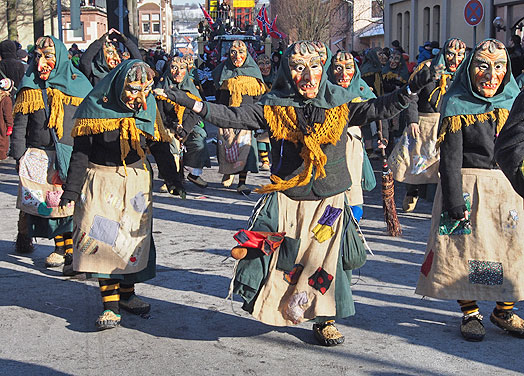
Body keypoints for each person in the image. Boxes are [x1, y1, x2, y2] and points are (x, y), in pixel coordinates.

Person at [160, 40, 433, 346]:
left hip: (328, 198)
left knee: (325, 263)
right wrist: (191, 102)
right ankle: (276, 305)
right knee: (284, 260)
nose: (307, 76)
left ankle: (325, 319)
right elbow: (233, 116)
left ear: (323, 69)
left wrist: (410, 91)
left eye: (314, 67)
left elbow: (378, 107)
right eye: (298, 67)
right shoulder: (274, 106)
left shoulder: (341, 104)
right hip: (288, 197)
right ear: (288, 73)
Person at [60, 59, 184, 330]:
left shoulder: (148, 109)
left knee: (131, 242)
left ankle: (127, 295)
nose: (138, 97)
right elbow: (80, 154)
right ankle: (110, 306)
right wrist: (71, 191)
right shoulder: (94, 110)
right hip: (101, 182)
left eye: (144, 90)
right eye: (132, 90)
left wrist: (173, 179)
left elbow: (160, 147)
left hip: (136, 183)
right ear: (118, 86)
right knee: (104, 242)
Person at [415, 39, 524, 342]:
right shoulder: (456, 102)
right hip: (466, 188)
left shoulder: (514, 100)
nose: (491, 75)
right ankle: (470, 311)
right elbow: (450, 158)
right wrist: (452, 201)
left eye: (499, 66)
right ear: (470, 67)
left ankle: (503, 309)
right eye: (483, 66)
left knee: (508, 253)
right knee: (468, 254)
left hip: (507, 190)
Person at [10, 36, 92, 271]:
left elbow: (89, 122)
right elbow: (20, 124)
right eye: (38, 56)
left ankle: (70, 249)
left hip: (71, 154)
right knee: (50, 206)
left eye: (48, 56)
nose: (41, 62)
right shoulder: (30, 86)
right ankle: (60, 247)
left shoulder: (78, 84)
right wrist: (19, 155)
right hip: (40, 156)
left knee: (70, 204)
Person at [389, 38, 466, 212]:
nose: (455, 59)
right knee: (416, 160)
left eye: (460, 55)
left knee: (444, 161)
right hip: (424, 121)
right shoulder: (427, 68)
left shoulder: (462, 73)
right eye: (451, 54)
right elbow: (413, 94)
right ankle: (412, 191)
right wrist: (413, 120)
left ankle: (444, 196)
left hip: (446, 121)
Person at [211, 40, 266, 194]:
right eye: (233, 52)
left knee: (246, 150)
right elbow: (219, 97)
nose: (237, 56)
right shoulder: (223, 73)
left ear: (246, 54)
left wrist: (255, 117)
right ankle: (228, 172)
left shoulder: (254, 75)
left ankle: (242, 182)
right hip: (228, 117)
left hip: (246, 119)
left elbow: (258, 99)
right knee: (226, 147)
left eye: (241, 52)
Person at [327, 50, 377, 215]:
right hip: (328, 142)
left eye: (348, 68)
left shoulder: (361, 87)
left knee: (353, 180)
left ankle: (353, 221)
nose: (343, 74)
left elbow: (377, 110)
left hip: (352, 140)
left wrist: (380, 137)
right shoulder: (324, 88)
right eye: (338, 68)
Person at [155, 56, 210, 189]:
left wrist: (184, 130)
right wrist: (174, 127)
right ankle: (169, 178)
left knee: (199, 138)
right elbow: (160, 113)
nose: (178, 72)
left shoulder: (191, 88)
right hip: (168, 124)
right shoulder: (162, 87)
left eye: (182, 69)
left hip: (188, 125)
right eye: (174, 68)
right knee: (170, 145)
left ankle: (194, 173)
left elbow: (196, 112)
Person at [255, 54, 274, 171]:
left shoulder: (276, 78)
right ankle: (265, 160)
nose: (265, 67)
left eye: (267, 63)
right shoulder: (255, 81)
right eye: (261, 64)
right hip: (260, 111)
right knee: (261, 137)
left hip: (274, 112)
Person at [0, 78, 14, 160]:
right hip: (2, 125)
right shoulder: (7, 100)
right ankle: (2, 156)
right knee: (3, 141)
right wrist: (10, 126)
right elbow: (8, 115)